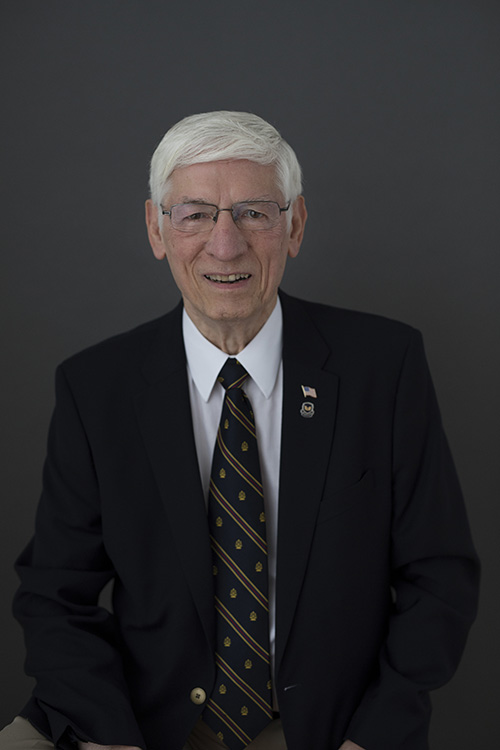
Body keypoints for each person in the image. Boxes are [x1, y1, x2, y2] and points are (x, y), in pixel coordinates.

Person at [1, 111, 479, 750]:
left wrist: (377, 733)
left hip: (320, 725)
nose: (225, 246)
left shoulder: (382, 368)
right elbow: (55, 595)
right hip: (138, 716)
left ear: (296, 225)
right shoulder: (96, 388)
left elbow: (439, 577)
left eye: (255, 213)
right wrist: (109, 736)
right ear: (155, 229)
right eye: (194, 214)